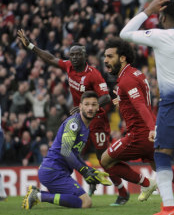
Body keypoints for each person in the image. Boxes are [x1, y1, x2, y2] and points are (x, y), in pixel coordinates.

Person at [17, 29, 128, 206]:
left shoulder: (93, 74)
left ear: (85, 56)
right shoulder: (68, 66)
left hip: (96, 119)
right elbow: (50, 58)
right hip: (80, 118)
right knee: (72, 150)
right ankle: (81, 184)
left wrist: (88, 106)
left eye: (78, 54)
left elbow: (106, 97)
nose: (74, 57)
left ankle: (122, 191)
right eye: (72, 54)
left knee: (104, 157)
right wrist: (30, 46)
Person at [120, 0, 174, 214]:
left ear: (161, 16)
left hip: (173, 100)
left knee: (161, 153)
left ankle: (168, 207)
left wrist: (145, 11)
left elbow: (124, 33)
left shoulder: (160, 35)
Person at [101, 37, 174, 206]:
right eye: (105, 56)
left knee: (105, 160)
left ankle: (146, 183)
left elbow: (141, 105)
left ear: (122, 58)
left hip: (140, 135)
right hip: (149, 133)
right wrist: (122, 101)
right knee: (163, 168)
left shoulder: (127, 79)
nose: (106, 60)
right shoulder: (135, 73)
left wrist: (152, 128)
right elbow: (137, 100)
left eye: (110, 56)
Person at [22, 91, 111, 209]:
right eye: (87, 104)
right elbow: (65, 151)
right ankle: (38, 196)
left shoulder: (85, 126)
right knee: (86, 203)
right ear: (80, 106)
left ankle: (37, 194)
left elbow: (75, 154)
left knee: (78, 201)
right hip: (53, 171)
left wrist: (89, 171)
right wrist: (84, 171)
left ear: (98, 107)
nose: (90, 108)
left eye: (94, 105)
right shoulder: (74, 123)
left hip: (58, 171)